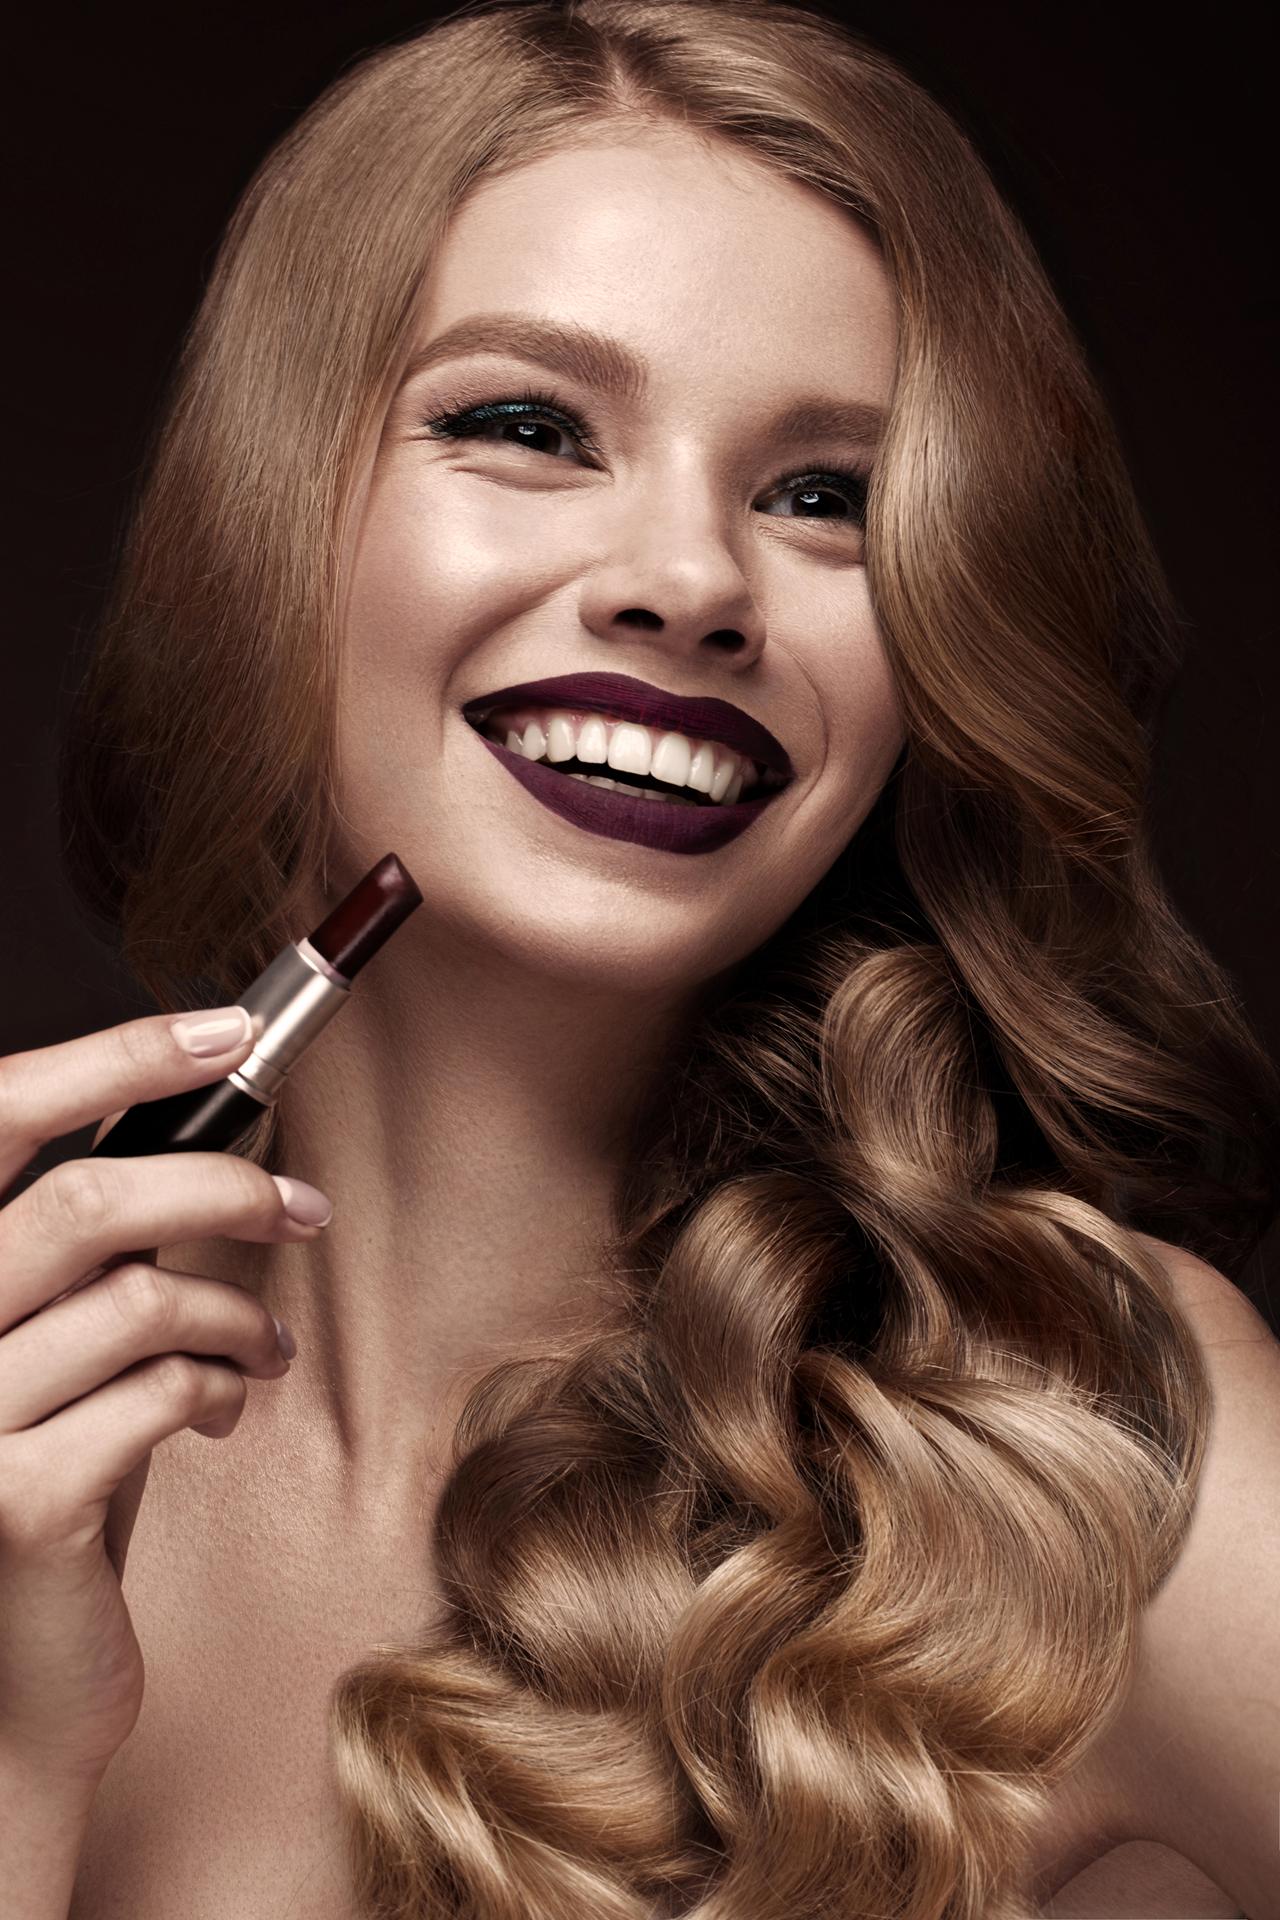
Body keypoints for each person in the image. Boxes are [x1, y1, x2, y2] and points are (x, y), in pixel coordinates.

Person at [2, 1, 1277, 1915]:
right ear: (269, 511)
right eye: (527, 426)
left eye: (828, 494)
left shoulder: (1077, 1443)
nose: (689, 580)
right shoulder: (28, 1440)